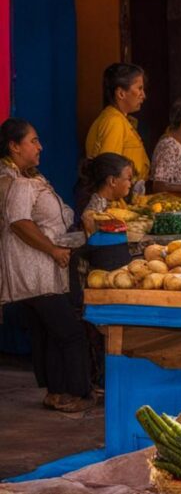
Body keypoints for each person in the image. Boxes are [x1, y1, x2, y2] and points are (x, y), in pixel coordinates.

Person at [0, 118, 93, 413]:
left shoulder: (28, 178)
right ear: (14, 147)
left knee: (51, 333)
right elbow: (19, 222)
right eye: (33, 141)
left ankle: (56, 392)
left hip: (40, 271)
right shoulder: (19, 183)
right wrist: (53, 249)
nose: (40, 147)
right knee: (70, 332)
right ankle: (79, 393)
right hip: (35, 272)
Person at [84, 63, 149, 188]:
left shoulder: (122, 120)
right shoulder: (114, 122)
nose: (143, 95)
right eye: (139, 88)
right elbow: (109, 173)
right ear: (121, 93)